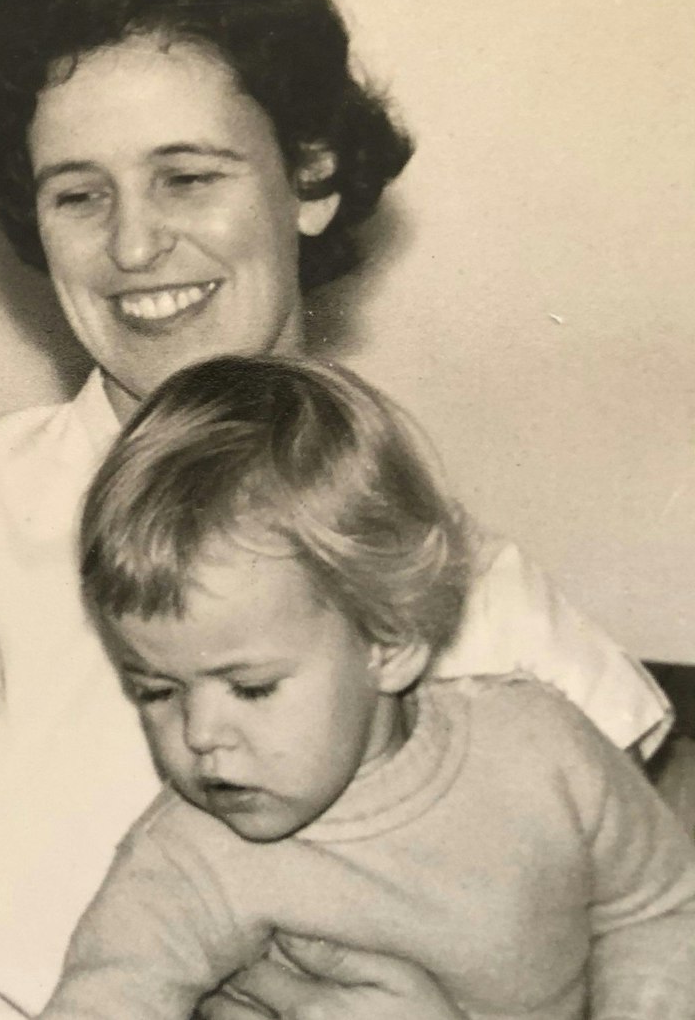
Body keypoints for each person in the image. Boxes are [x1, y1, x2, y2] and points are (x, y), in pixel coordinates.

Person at [0, 0, 676, 1020]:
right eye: (78, 194)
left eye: (186, 177)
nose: (134, 247)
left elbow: (646, 929)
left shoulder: (465, 597)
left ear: (311, 178)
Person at [39, 355, 695, 1020]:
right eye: (156, 690)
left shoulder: (539, 746)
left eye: (252, 687)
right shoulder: (185, 860)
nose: (199, 733)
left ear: (389, 642)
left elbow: (662, 908)